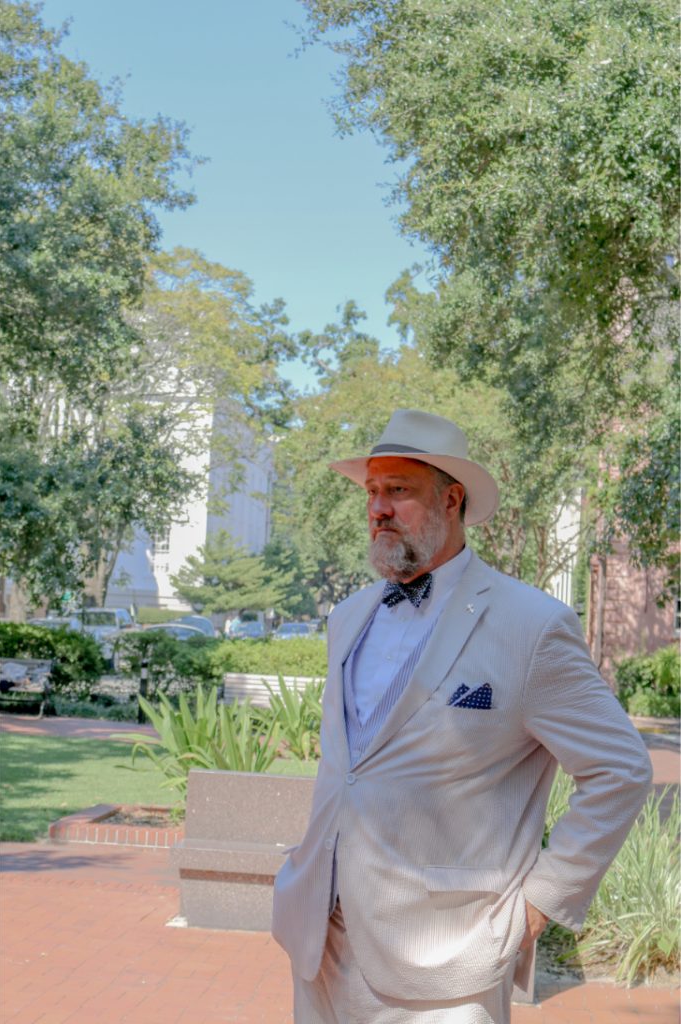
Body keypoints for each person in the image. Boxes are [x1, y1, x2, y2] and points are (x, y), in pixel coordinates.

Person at [272, 409, 652, 1023]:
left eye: (399, 489)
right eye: (371, 491)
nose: (378, 508)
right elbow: (353, 769)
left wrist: (539, 904)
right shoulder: (348, 617)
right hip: (319, 940)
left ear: (451, 500)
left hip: (446, 957)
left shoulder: (531, 627)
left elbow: (621, 769)